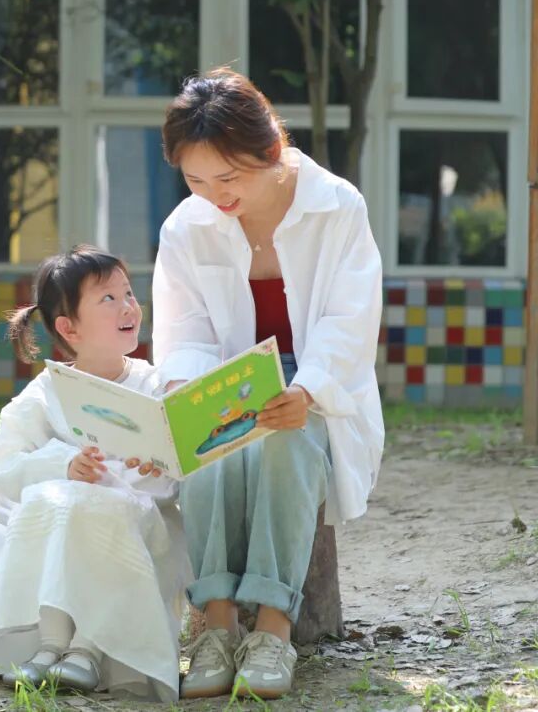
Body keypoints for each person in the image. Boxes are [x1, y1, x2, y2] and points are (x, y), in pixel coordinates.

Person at [147, 67, 384, 700]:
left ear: (272, 149)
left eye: (229, 178)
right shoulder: (186, 227)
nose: (214, 195)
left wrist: (307, 391)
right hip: (226, 383)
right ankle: (216, 624)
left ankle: (274, 630)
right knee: (209, 447)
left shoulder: (337, 207)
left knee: (285, 439)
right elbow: (184, 334)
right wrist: (190, 395)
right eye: (196, 180)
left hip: (315, 385)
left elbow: (350, 321)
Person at [0, 246, 187, 702]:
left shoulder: (156, 383)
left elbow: (177, 470)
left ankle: (88, 648)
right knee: (49, 499)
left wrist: (150, 464)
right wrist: (64, 465)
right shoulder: (48, 391)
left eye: (129, 293)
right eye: (108, 299)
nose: (128, 307)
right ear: (68, 328)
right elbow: (0, 464)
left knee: (97, 505)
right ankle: (50, 644)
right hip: (67, 523)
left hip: (142, 532)